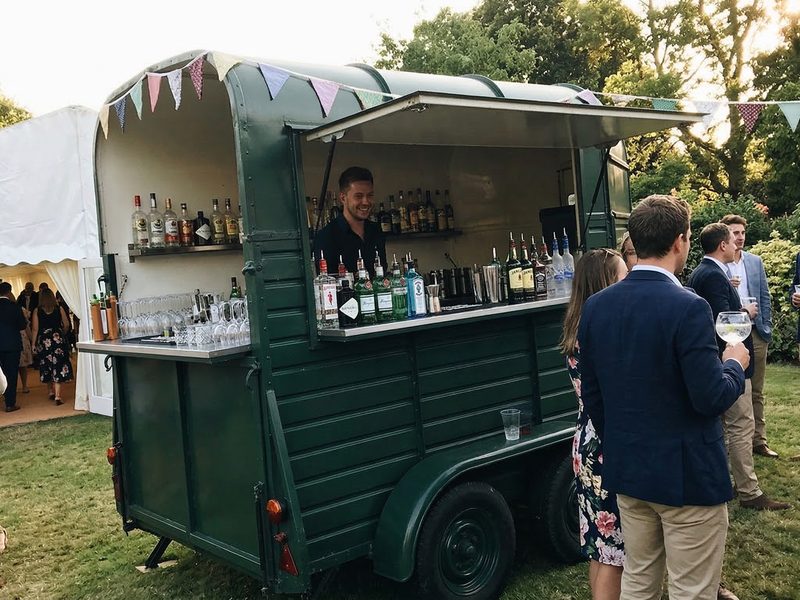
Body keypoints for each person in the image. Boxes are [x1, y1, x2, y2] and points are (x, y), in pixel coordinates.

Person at [578, 195, 749, 600]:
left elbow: (594, 400)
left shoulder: (596, 307)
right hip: (687, 478)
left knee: (638, 581)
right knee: (691, 590)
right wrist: (734, 364)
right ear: (681, 241)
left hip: (630, 472)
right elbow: (710, 397)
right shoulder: (689, 307)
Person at [687, 223, 790, 512]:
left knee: (723, 427)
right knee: (741, 425)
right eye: (733, 241)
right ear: (722, 245)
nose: (737, 246)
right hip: (729, 363)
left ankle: (727, 483)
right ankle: (749, 491)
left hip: (717, 362)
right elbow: (723, 324)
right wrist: (747, 312)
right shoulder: (714, 276)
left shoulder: (702, 272)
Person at [561, 248, 628, 600]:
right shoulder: (602, 332)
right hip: (605, 444)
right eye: (622, 275)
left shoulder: (577, 326)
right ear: (605, 284)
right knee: (614, 550)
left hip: (584, 441)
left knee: (598, 544)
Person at [720, 214, 776, 457]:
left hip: (756, 331)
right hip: (731, 335)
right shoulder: (719, 264)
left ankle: (758, 441)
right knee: (735, 389)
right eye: (735, 233)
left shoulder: (755, 261)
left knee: (757, 390)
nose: (740, 237)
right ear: (725, 236)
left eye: (742, 232)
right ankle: (734, 442)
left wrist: (767, 327)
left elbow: (764, 296)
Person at [313, 166, 387, 277]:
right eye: (358, 196)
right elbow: (327, 285)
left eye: (370, 195)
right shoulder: (326, 237)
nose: (366, 202)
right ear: (343, 198)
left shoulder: (376, 230)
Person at [31, 288, 73, 406]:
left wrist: (33, 344)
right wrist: (61, 334)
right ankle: (58, 396)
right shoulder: (59, 308)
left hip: (44, 341)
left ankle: (50, 391)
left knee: (47, 365)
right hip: (58, 339)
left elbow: (35, 329)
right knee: (58, 365)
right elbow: (67, 324)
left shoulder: (37, 311)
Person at [0, 282, 27, 413]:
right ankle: (10, 403)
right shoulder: (15, 307)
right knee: (11, 374)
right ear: (9, 292)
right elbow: (22, 325)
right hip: (11, 344)